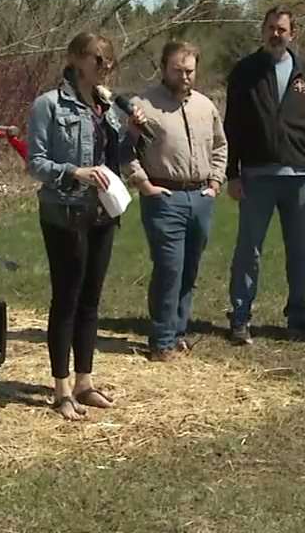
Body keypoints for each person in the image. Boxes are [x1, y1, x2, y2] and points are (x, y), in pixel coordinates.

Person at [26, 31, 145, 420]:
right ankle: (60, 389)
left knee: (91, 300)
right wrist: (75, 171)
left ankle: (85, 382)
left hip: (102, 212)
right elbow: (35, 163)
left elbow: (118, 157)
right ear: (76, 58)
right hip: (65, 211)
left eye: (109, 61)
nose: (105, 67)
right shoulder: (48, 105)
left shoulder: (106, 106)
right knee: (67, 298)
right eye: (98, 59)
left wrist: (133, 133)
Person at [223, 5, 305, 344]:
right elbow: (233, 126)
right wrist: (232, 172)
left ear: (292, 33)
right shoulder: (245, 72)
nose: (275, 34)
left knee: (299, 251)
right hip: (257, 174)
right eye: (270, 28)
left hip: (300, 174)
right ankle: (240, 317)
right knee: (248, 249)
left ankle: (298, 317)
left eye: (281, 29)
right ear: (263, 30)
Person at [123, 41, 227, 362]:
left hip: (200, 196)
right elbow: (126, 151)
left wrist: (214, 182)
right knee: (169, 268)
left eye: (189, 71)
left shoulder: (205, 106)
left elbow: (220, 146)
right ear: (163, 68)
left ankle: (179, 331)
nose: (184, 77)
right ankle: (162, 340)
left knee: (189, 269)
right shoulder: (143, 106)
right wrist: (144, 184)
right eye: (177, 70)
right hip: (163, 197)